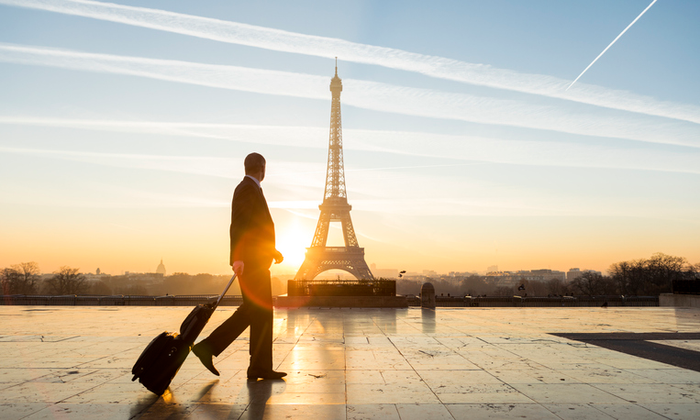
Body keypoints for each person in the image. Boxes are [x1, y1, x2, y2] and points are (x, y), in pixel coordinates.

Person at [192, 152, 287, 380]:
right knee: (261, 311)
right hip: (250, 263)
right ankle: (257, 366)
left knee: (251, 311)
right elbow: (239, 225)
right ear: (262, 168)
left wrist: (271, 251)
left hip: (254, 259)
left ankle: (215, 350)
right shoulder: (247, 188)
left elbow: (253, 228)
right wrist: (238, 257)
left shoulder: (250, 188)